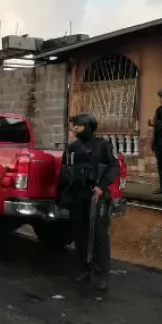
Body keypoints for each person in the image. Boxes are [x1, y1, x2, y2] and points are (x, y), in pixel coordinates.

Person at [58, 112, 120, 293]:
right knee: (80, 233)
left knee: (99, 235)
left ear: (87, 126)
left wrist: (102, 186)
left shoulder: (103, 145)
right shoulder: (72, 148)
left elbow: (113, 166)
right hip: (78, 195)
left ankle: (101, 275)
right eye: (74, 125)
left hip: (96, 195)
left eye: (77, 125)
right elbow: (64, 170)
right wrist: (62, 195)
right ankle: (84, 268)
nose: (74, 128)